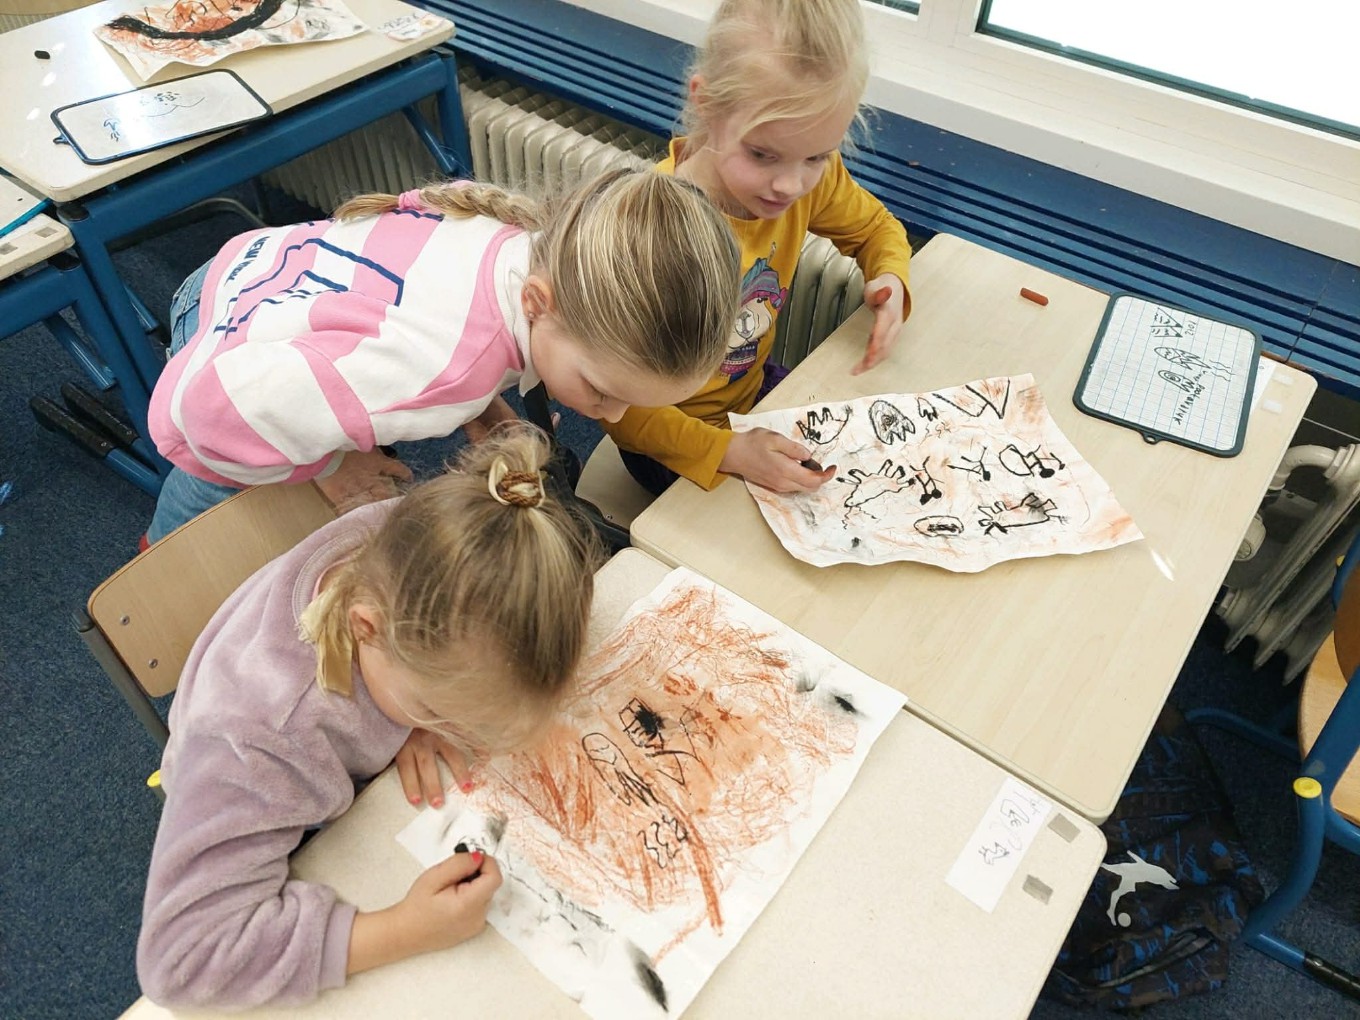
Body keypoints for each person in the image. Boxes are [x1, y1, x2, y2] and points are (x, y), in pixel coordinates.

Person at [137, 425, 602, 1009]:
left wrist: (412, 715)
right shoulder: (264, 745)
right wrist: (402, 931)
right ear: (367, 629)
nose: (457, 728)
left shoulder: (420, 537)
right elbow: (181, 965)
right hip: (245, 800)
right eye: (441, 708)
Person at [144, 167, 741, 543]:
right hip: (227, 348)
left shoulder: (527, 242)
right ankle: (158, 560)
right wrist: (335, 469)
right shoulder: (437, 368)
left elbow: (441, 313)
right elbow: (208, 417)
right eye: (603, 391)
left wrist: (483, 406)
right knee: (214, 492)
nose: (609, 418)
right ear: (540, 302)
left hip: (273, 267)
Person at [603, 0, 914, 497]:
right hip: (670, 438)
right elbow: (617, 408)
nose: (790, 185)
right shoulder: (649, 231)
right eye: (762, 154)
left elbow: (878, 228)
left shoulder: (808, 179)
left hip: (753, 395)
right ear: (706, 105)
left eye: (817, 155)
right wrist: (729, 451)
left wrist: (890, 277)